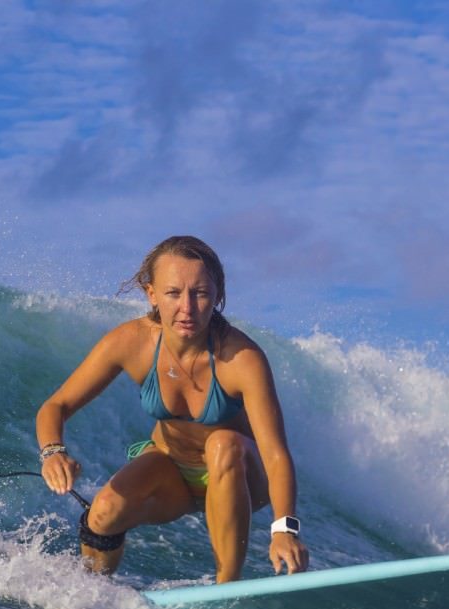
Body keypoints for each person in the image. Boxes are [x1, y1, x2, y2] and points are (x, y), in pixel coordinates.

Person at [36, 236, 308, 583]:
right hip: (174, 478)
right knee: (102, 513)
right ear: (151, 295)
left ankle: (228, 585)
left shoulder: (242, 359)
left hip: (239, 477)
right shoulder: (131, 343)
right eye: (173, 293)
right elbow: (55, 406)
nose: (187, 308)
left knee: (224, 443)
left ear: (218, 296)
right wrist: (53, 451)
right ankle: (91, 590)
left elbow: (275, 455)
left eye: (200, 293)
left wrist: (285, 529)